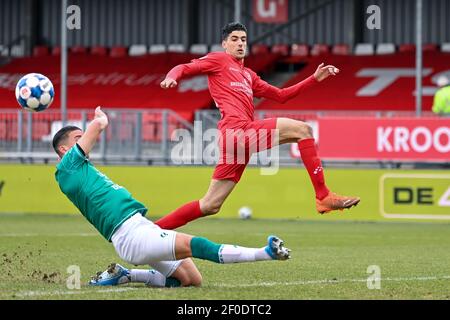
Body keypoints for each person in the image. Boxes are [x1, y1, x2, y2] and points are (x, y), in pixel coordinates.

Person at [53, 106, 290, 287]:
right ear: (64, 149)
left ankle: (126, 275)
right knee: (197, 245)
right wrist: (101, 120)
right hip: (130, 235)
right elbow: (96, 128)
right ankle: (265, 253)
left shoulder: (78, 169)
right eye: (77, 138)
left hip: (139, 229)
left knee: (190, 279)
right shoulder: (68, 167)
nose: (82, 141)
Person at [157, 22, 360, 230]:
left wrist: (314, 79)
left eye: (243, 40)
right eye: (234, 39)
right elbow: (184, 67)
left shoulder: (249, 75)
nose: (240, 44)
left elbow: (281, 96)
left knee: (210, 205)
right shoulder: (218, 60)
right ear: (224, 44)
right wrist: (171, 77)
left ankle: (150, 230)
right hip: (236, 133)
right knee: (304, 130)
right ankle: (323, 196)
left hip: (236, 143)